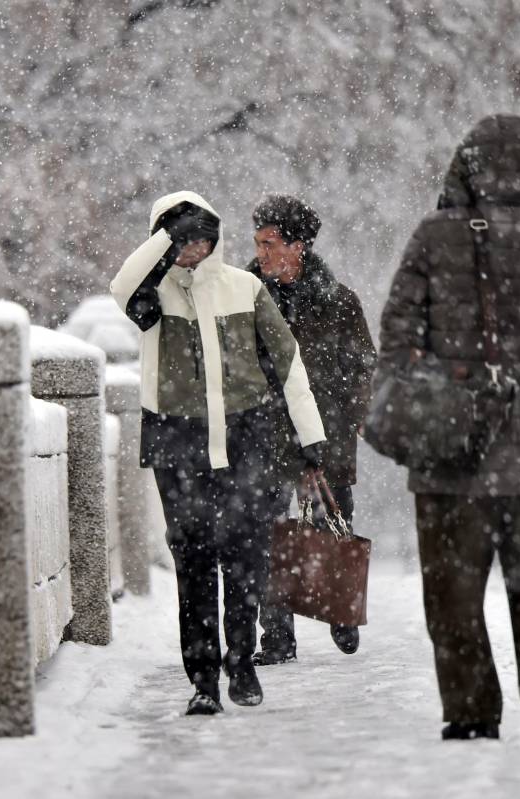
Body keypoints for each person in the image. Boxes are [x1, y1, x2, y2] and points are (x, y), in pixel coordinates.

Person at [378, 114, 520, 740]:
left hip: (451, 459)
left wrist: (433, 396)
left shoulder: (433, 239)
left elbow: (397, 339)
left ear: (468, 164)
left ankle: (473, 711)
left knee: (452, 601)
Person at [110, 190, 326, 716]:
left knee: (246, 556)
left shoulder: (245, 287)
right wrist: (167, 235)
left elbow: (288, 363)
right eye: (184, 242)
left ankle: (242, 658)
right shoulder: (153, 298)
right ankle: (203, 677)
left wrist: (311, 439)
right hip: (177, 446)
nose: (194, 251)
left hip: (246, 441)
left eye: (204, 239)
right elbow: (120, 289)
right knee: (195, 562)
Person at [246, 194, 378, 662]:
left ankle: (341, 609)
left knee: (333, 524)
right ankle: (277, 637)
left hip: (327, 430)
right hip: (263, 430)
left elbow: (364, 364)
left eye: (270, 244)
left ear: (298, 246)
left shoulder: (339, 301)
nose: (261, 253)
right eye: (257, 243)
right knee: (267, 532)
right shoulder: (245, 296)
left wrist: (360, 413)